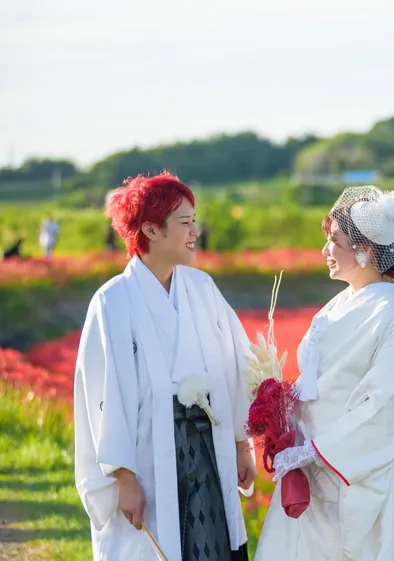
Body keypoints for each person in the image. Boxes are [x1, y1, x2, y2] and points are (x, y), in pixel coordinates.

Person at [254, 185, 394, 561]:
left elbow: (387, 404)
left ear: (365, 250)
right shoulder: (335, 308)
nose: (325, 250)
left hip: (347, 470)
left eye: (334, 241)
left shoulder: (392, 317)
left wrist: (316, 451)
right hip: (311, 467)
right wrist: (282, 422)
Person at [73, 172, 257, 561]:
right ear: (151, 230)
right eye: (185, 222)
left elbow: (235, 366)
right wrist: (123, 478)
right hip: (148, 457)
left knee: (213, 542)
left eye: (195, 221)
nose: (196, 231)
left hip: (207, 448)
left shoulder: (202, 289)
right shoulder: (113, 302)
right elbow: (103, 396)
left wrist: (242, 444)